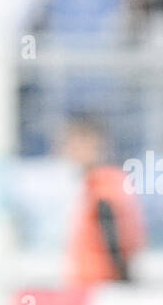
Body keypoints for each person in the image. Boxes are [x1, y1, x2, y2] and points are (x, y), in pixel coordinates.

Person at [62, 116, 145, 285]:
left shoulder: (102, 184)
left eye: (75, 144)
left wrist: (122, 278)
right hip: (98, 282)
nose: (69, 151)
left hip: (99, 283)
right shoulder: (108, 180)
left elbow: (111, 232)